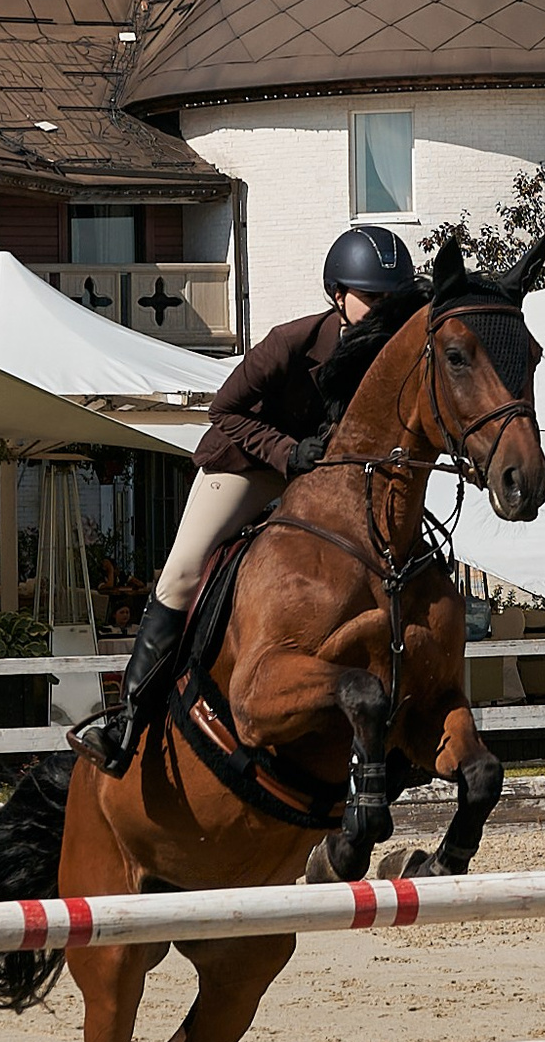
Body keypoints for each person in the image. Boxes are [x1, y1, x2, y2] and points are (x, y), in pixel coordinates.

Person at [83, 225, 421, 771]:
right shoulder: (291, 342)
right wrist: (289, 454)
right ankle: (127, 723)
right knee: (183, 574)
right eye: (373, 298)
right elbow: (224, 411)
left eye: (392, 299)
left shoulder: (392, 357)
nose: (385, 310)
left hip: (325, 482)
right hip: (249, 467)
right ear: (338, 294)